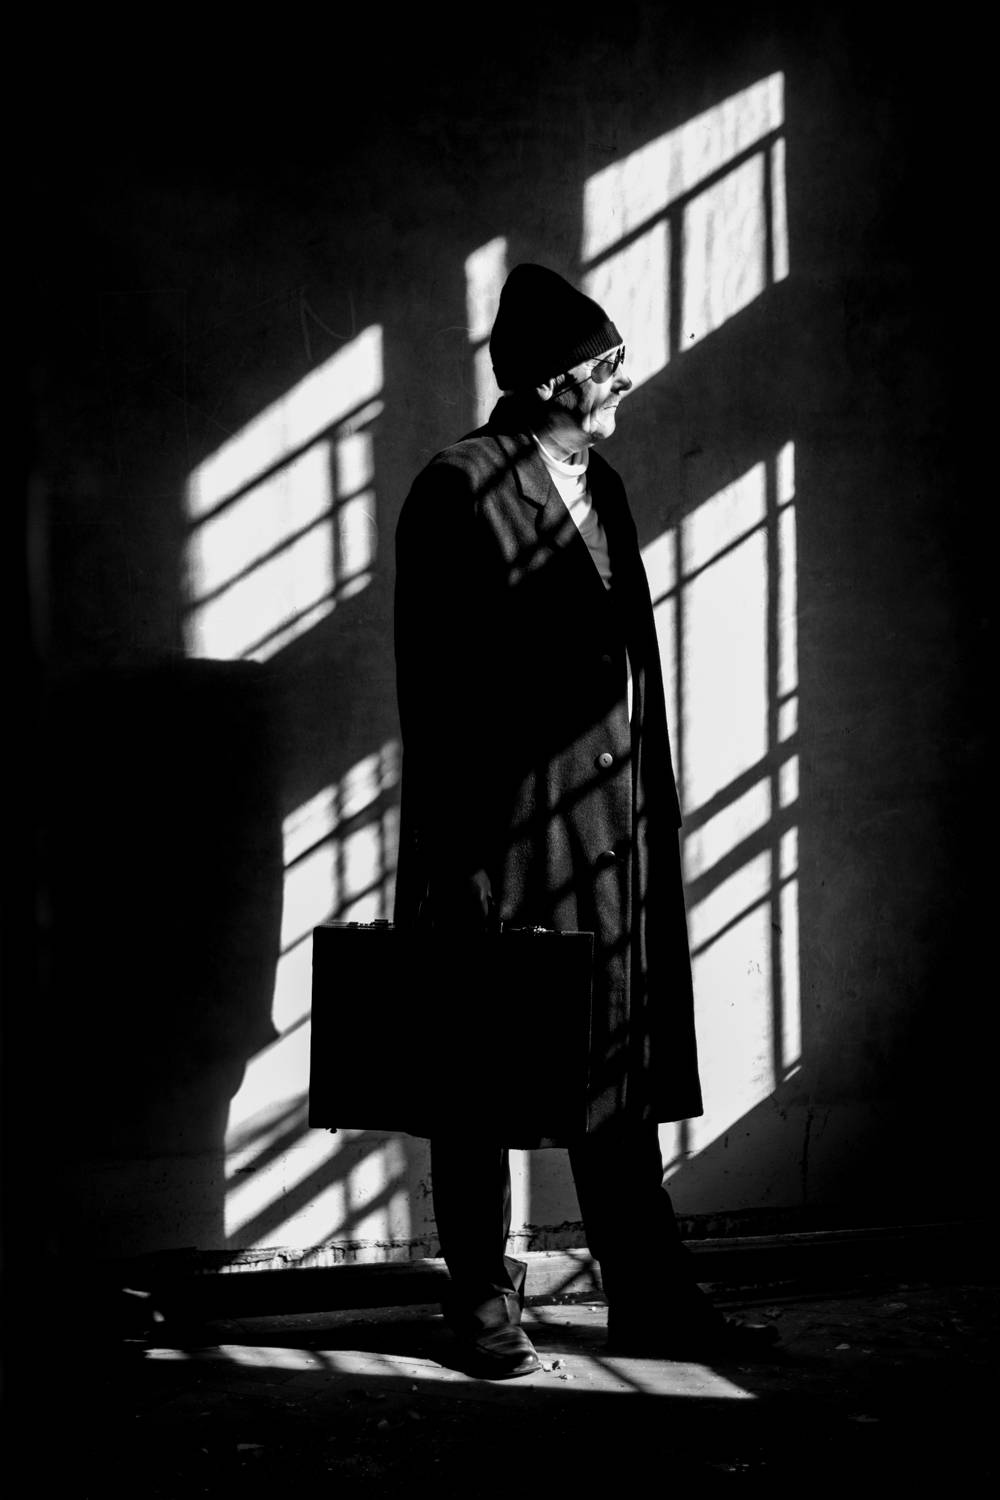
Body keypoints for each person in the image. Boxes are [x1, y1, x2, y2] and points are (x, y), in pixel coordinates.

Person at [393, 263, 777, 1377]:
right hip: (506, 831)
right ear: (552, 380)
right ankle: (479, 1298)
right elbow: (437, 689)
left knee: (614, 1065)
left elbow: (623, 664)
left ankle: (650, 1296)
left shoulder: (599, 482)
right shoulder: (459, 485)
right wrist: (460, 859)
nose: (623, 380)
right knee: (480, 1068)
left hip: (608, 827)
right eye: (606, 364)